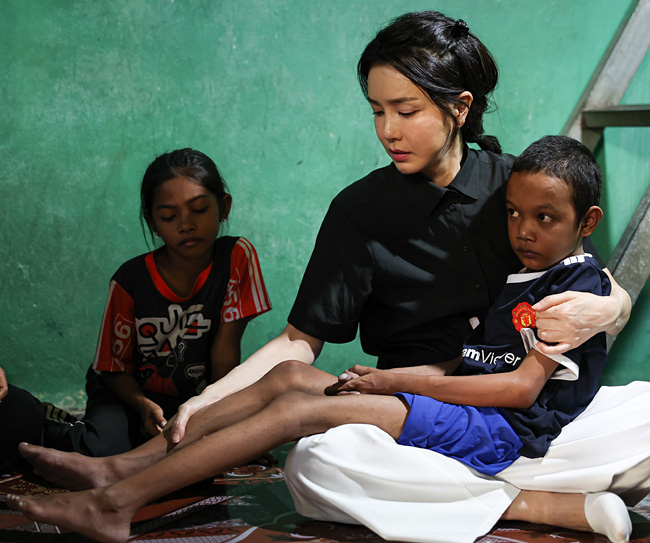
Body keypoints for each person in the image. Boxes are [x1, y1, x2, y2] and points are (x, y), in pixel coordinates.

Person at [6, 135, 632, 543]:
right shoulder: (528, 270)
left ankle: (117, 505)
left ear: (587, 222)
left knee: (301, 411)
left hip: (500, 430)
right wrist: (406, 376)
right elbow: (475, 360)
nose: (522, 227)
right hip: (465, 401)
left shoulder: (567, 294)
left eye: (543, 218)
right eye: (514, 214)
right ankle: (117, 468)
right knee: (285, 379)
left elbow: (520, 387)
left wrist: (394, 379)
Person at [0, 148, 272, 464]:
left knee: (208, 444)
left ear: (224, 206)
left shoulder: (236, 257)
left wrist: (214, 416)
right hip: (125, 390)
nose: (186, 225)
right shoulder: (130, 281)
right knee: (99, 451)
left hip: (198, 393)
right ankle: (46, 420)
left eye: (198, 210)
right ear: (152, 222)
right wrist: (143, 405)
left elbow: (225, 353)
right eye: (169, 217)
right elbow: (112, 369)